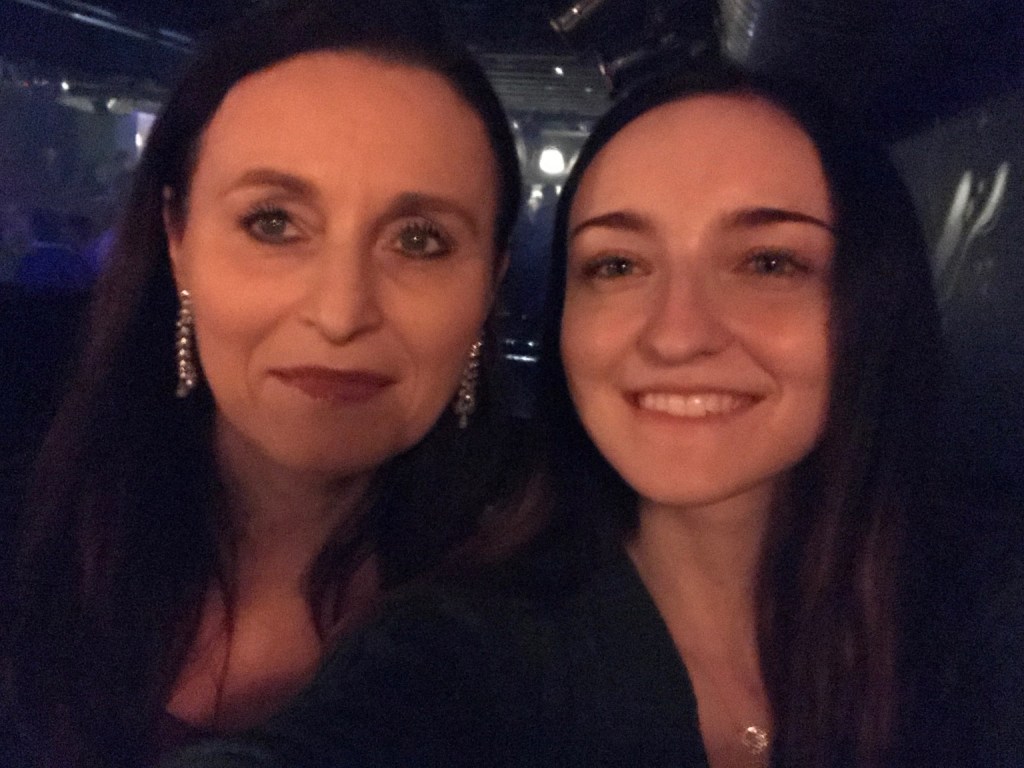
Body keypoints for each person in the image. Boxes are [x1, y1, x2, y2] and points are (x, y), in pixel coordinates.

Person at [164, 61, 998, 768]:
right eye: (618, 264)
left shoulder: (983, 610)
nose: (676, 334)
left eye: (769, 262)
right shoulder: (463, 651)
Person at [4, 0, 534, 765]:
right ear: (178, 241)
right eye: (274, 223)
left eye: (420, 240)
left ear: (490, 283)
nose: (340, 313)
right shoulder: (27, 538)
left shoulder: (550, 630)